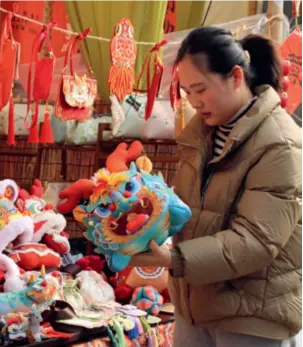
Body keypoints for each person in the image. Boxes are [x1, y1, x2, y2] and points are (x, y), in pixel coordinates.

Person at [129, 26, 302, 346]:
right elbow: (187, 211)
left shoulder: (280, 143)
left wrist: (174, 260)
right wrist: (140, 217)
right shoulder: (202, 136)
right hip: (196, 307)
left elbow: (256, 241)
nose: (194, 102)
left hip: (251, 317)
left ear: (236, 77)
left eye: (200, 89)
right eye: (187, 93)